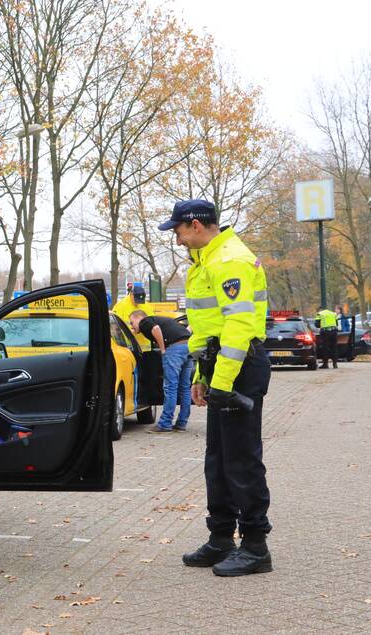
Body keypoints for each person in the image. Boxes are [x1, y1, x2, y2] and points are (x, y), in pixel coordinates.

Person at [158, 199, 273, 577]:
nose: (175, 236)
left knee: (241, 460)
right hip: (220, 367)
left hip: (238, 368)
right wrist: (201, 376)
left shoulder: (229, 260)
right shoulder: (206, 260)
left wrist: (222, 382)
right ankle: (221, 538)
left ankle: (255, 547)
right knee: (219, 461)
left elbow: (239, 328)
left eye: (177, 229)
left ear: (194, 225)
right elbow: (206, 329)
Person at [129, 310, 193, 433]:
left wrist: (163, 349)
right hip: (187, 347)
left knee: (170, 387)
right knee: (184, 388)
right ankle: (181, 424)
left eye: (132, 322)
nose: (132, 326)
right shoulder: (163, 320)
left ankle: (165, 424)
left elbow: (156, 329)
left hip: (173, 349)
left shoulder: (144, 321)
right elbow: (186, 331)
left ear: (138, 317)